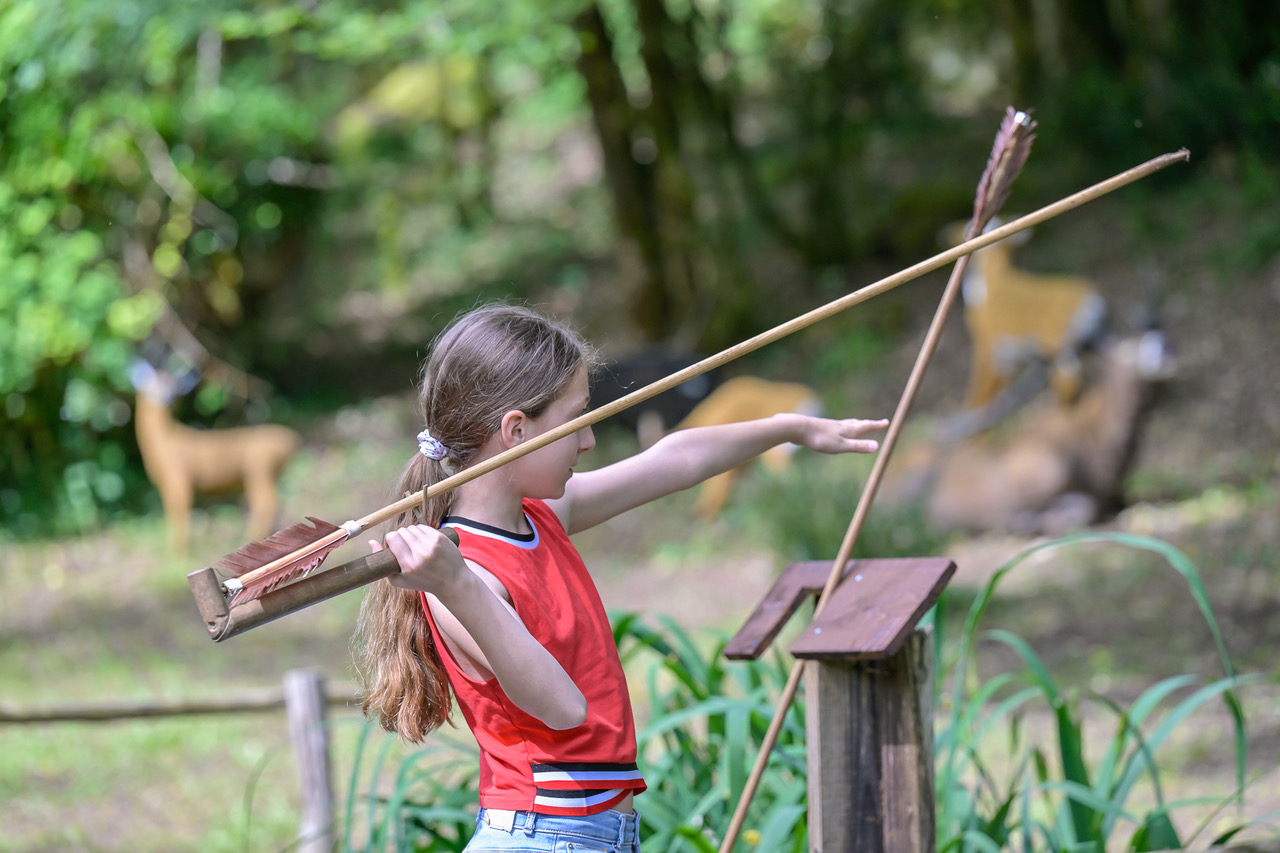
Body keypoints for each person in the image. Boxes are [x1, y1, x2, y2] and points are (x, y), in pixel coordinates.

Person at [354, 303, 887, 852]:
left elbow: (675, 461)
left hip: (589, 833)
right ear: (516, 430)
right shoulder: (466, 579)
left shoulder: (542, 518)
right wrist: (455, 584)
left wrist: (786, 427)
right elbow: (562, 706)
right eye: (577, 421)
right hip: (544, 835)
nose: (589, 441)